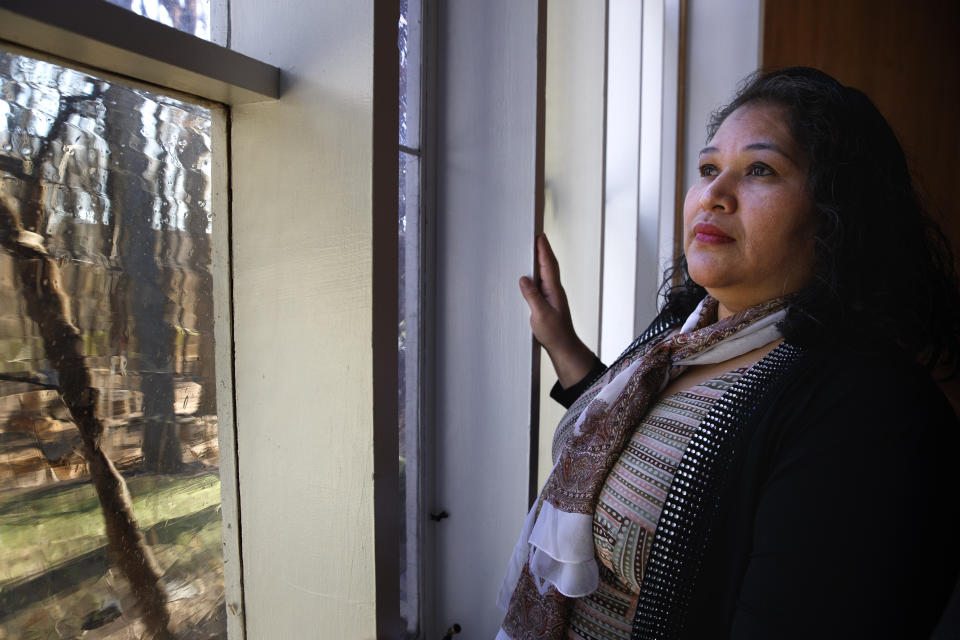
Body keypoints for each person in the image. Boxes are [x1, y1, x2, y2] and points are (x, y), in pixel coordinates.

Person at [496, 67, 960, 640]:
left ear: (837, 213)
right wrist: (561, 343)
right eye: (709, 169)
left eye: (760, 170)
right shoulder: (686, 329)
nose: (713, 195)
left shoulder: (873, 412)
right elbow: (637, 433)